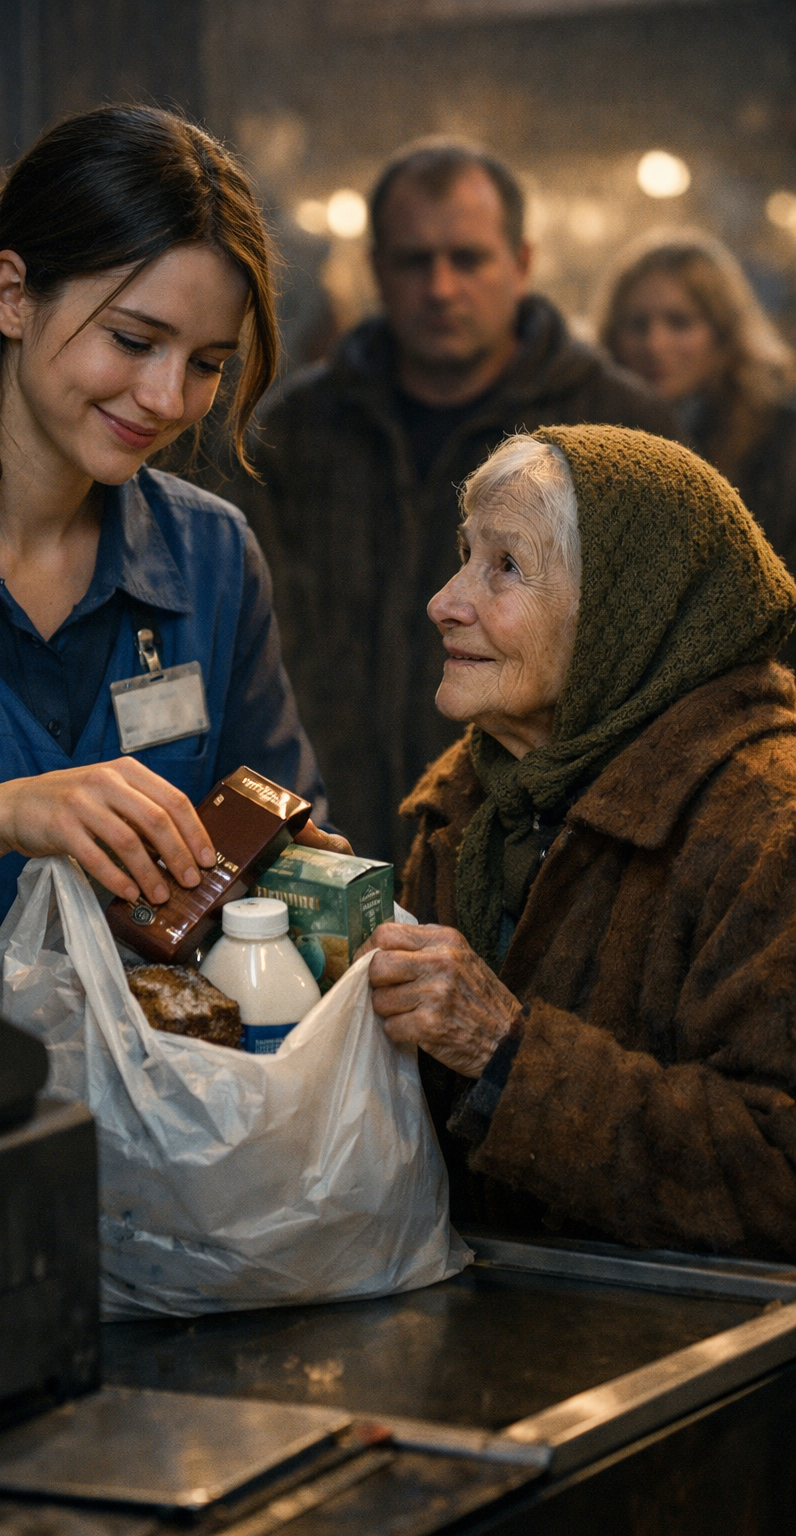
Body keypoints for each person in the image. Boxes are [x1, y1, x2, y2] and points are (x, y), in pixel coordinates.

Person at [0, 106, 344, 998]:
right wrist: (3, 815)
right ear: (12, 295)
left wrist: (303, 884)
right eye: (133, 339)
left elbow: (269, 833)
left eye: (206, 363)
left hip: (161, 1114)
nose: (164, 396)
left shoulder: (212, 558)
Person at [367, 424, 796, 1258]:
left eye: (507, 567)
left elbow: (779, 1172)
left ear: (621, 616)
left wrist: (508, 1053)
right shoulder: (476, 797)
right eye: (465, 554)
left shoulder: (767, 825)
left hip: (700, 1360)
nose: (445, 600)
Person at [233, 139, 676, 868]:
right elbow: (252, 657)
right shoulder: (295, 434)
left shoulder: (618, 431)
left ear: (521, 264)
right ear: (376, 267)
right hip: (334, 847)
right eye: (414, 261)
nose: (440, 288)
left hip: (555, 860)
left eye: (467, 259)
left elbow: (672, 660)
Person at [599, 230, 796, 667]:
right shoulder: (591, 437)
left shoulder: (780, 441)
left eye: (679, 322)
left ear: (723, 334)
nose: (655, 344)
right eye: (637, 324)